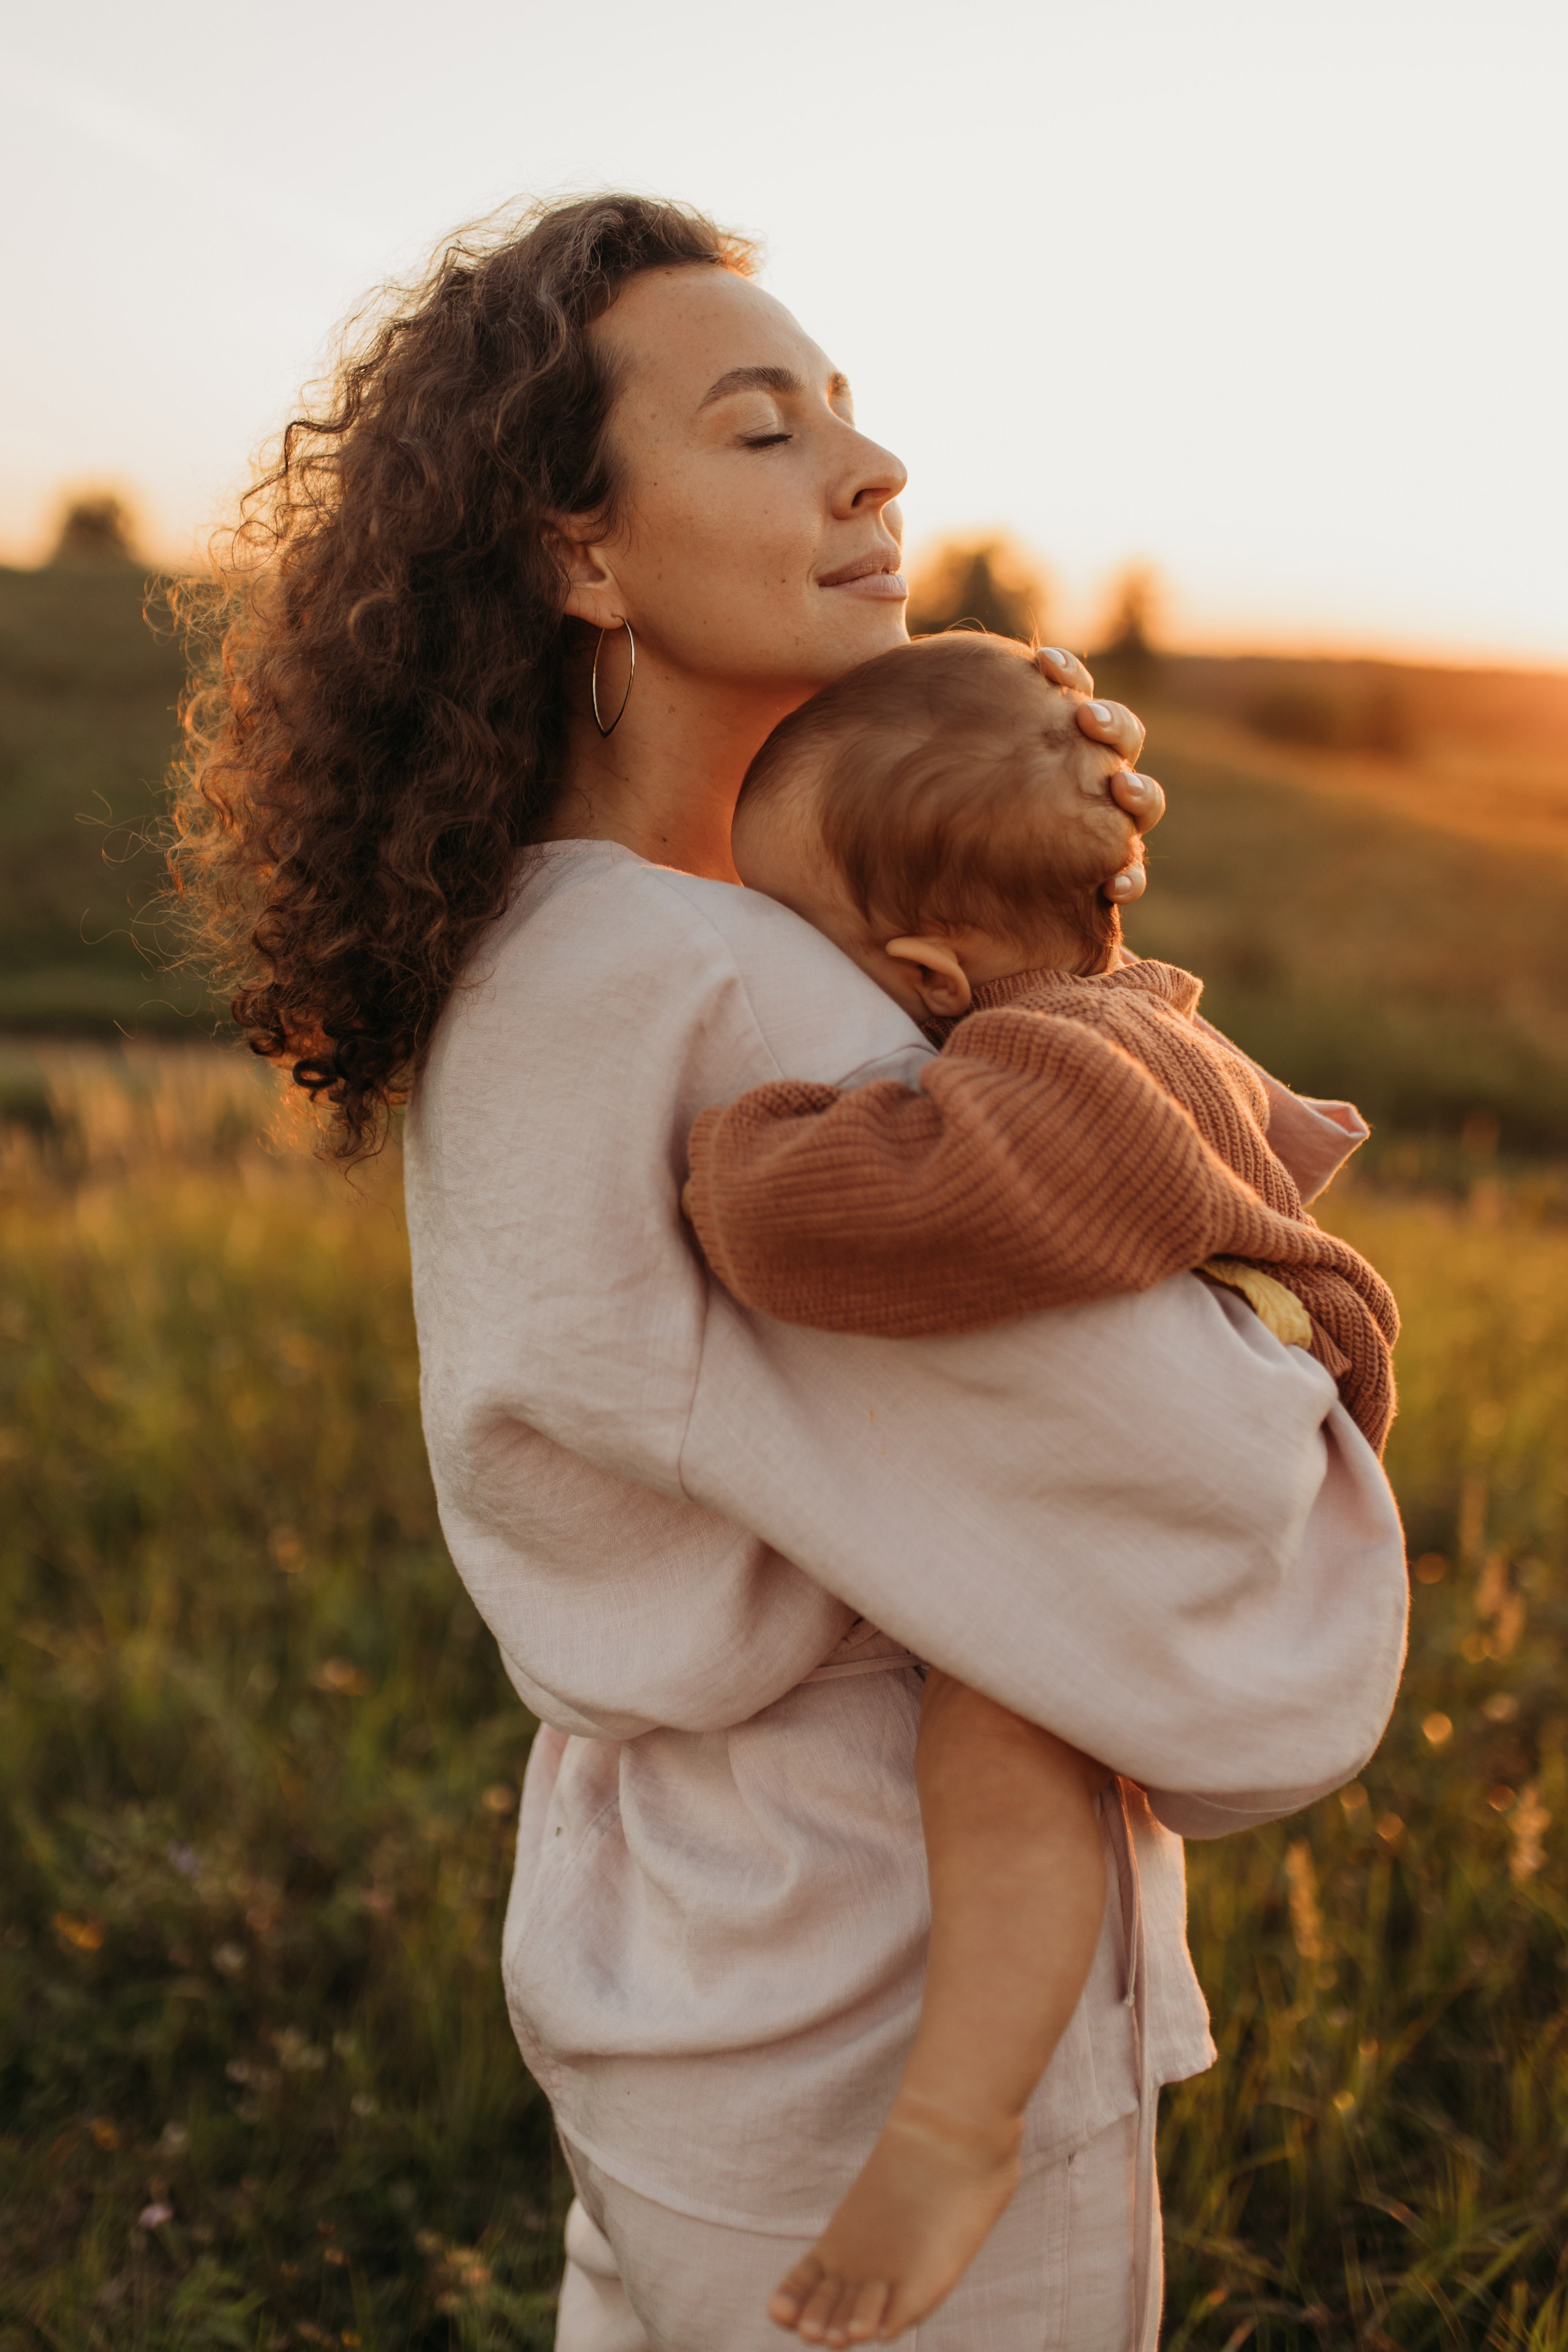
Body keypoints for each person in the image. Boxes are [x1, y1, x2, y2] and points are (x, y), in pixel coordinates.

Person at [169, 193, 1410, 2352]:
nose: (870, 470)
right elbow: (1228, 1491)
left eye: (847, 411)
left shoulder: (555, 948)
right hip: (878, 2004)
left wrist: (1011, 897)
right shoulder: (736, 1005)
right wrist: (1108, 1032)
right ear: (578, 553)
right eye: (762, 433)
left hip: (686, 1963)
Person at [676, 628, 1399, 2343]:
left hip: (1221, 1512)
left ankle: (956, 2121)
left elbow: (858, 1218)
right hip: (1199, 1474)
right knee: (1023, 1735)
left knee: (1004, 1741)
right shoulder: (1140, 1025)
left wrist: (729, 1141)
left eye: (811, 940)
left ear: (925, 971)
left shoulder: (1060, 1068)